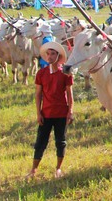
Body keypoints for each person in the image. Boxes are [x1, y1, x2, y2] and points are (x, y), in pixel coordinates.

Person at [27, 41, 74, 179]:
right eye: (48, 54)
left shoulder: (65, 74)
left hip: (61, 113)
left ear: (58, 56)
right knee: (40, 141)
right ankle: (34, 169)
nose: (50, 56)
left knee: (60, 141)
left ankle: (58, 168)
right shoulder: (41, 73)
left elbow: (70, 94)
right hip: (46, 113)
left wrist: (70, 111)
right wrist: (38, 112)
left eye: (53, 54)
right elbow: (38, 94)